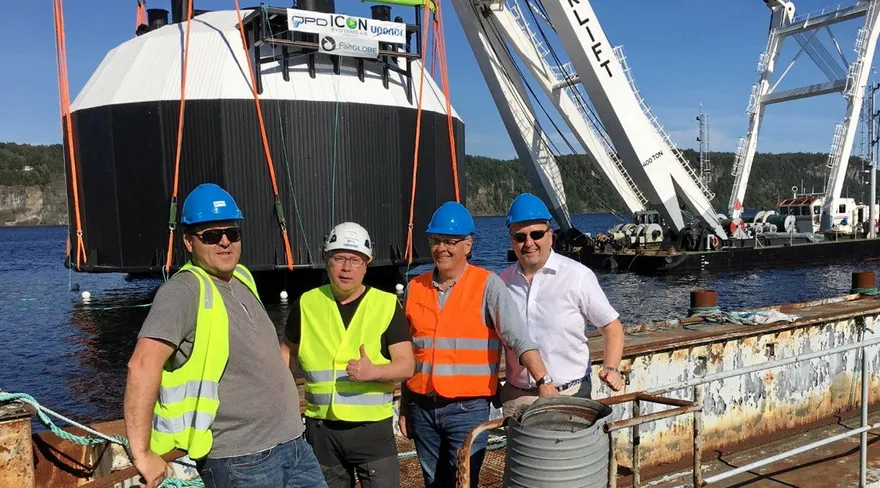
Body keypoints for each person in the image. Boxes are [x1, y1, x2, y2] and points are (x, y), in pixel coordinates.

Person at [123, 183, 324, 488]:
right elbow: (142, 365)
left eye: (233, 233)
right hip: (241, 461)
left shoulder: (242, 278)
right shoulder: (183, 291)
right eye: (212, 236)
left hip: (293, 445)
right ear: (189, 242)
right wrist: (141, 452)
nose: (225, 242)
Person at [398, 201, 558, 488]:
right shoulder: (415, 287)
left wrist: (543, 381)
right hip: (422, 408)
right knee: (433, 481)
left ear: (468, 245)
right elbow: (410, 352)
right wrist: (405, 407)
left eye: (451, 241)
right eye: (435, 241)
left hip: (466, 410)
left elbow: (518, 337)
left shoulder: (487, 285)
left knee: (464, 481)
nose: (441, 248)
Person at [280, 222, 414, 488]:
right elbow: (285, 353)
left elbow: (407, 365)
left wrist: (374, 372)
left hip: (372, 432)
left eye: (355, 260)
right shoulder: (307, 304)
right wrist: (282, 402)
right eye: (339, 258)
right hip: (321, 431)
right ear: (327, 260)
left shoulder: (386, 305)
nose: (346, 267)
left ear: (366, 264)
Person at [498, 193, 625, 418]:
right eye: (520, 236)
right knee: (519, 455)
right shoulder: (502, 283)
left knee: (572, 453)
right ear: (511, 240)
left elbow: (611, 326)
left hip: (571, 394)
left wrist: (611, 368)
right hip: (518, 399)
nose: (528, 243)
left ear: (550, 237)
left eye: (536, 234)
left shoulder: (577, 276)